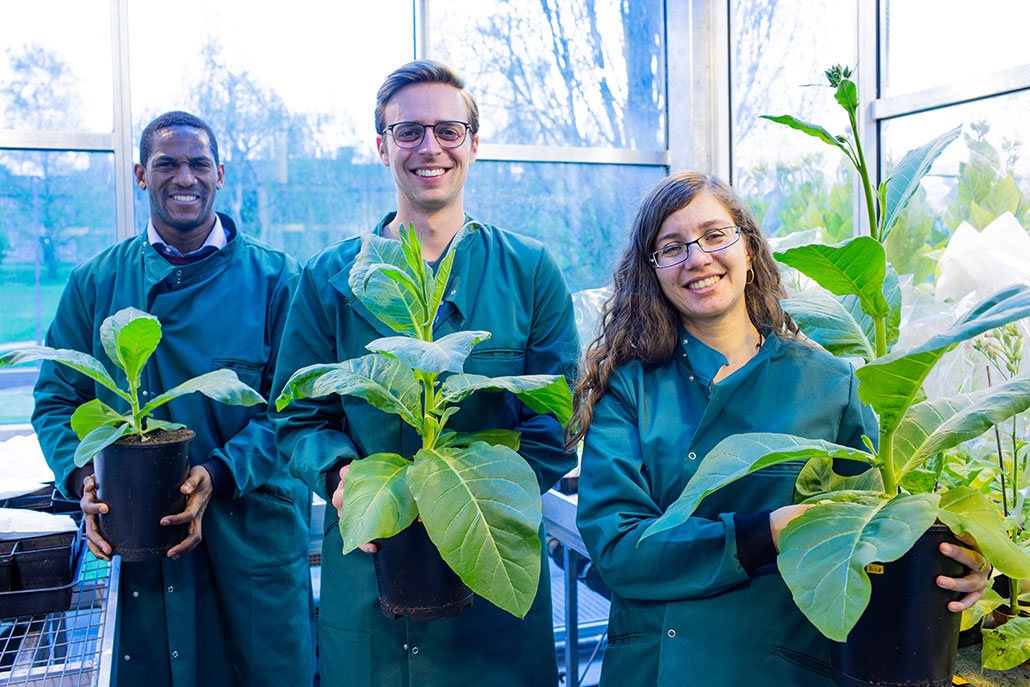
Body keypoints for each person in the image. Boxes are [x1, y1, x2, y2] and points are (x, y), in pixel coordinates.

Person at [570, 171, 991, 686]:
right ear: (653, 271)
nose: (697, 257)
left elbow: (874, 534)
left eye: (714, 235)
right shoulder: (630, 387)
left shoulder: (829, 382)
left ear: (748, 248)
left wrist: (950, 568)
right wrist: (766, 533)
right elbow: (618, 548)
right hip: (659, 666)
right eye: (672, 247)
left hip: (784, 664)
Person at [271, 60, 578, 686]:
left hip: (492, 558)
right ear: (382, 146)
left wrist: (466, 490)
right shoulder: (331, 278)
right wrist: (342, 477)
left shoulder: (529, 270)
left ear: (473, 143)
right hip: (370, 557)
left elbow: (557, 417)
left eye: (448, 129)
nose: (429, 147)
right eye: (408, 131)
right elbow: (298, 415)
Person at [31, 111, 312, 687]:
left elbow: (296, 409)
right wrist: (85, 474)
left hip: (249, 538)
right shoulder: (95, 282)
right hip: (138, 542)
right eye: (167, 163)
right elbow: (56, 400)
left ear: (220, 174)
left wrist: (220, 472)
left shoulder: (278, 279)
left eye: (198, 164)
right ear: (140, 174)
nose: (184, 177)